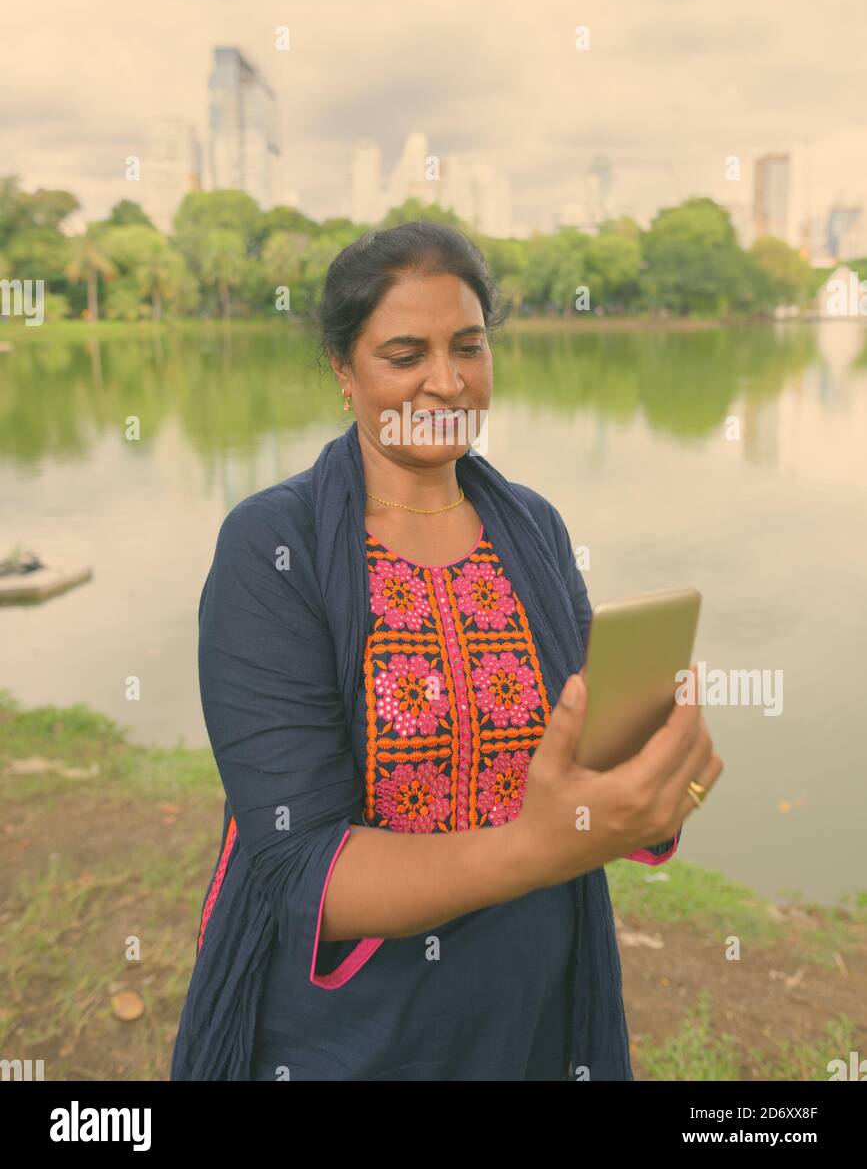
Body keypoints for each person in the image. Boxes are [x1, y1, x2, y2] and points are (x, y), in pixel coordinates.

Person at [170, 221, 722, 1082]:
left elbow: (582, 764)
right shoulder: (273, 546)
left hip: (531, 996)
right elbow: (300, 868)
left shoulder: (531, 528)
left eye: (468, 346)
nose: (446, 379)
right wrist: (539, 847)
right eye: (403, 354)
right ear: (342, 369)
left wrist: (651, 780)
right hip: (350, 1026)